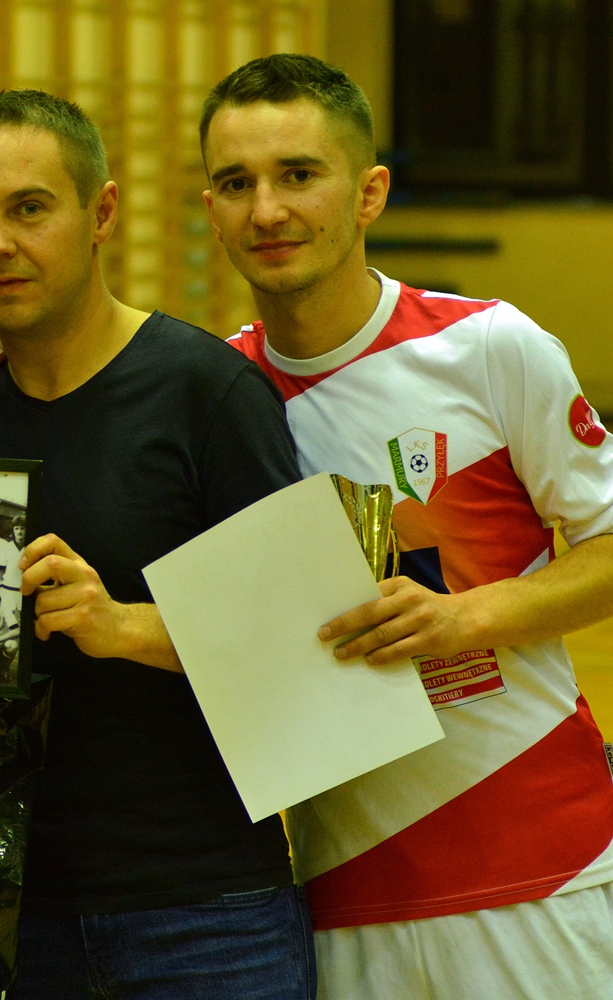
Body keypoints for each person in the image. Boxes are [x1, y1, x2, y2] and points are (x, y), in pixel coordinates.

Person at [198, 53, 613, 999]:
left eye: (298, 175)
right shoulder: (213, 396)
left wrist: (464, 618)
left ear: (369, 193)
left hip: (544, 873)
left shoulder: (489, 347)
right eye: (237, 183)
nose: (268, 210)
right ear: (212, 209)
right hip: (344, 894)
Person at [0, 89, 311, 998]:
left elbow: (309, 646)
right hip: (5, 913)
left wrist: (126, 625)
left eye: (29, 209)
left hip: (206, 915)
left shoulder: (207, 394)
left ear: (101, 213)